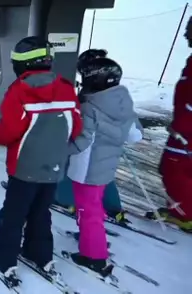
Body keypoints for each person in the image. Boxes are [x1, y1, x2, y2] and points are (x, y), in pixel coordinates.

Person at [0, 36, 82, 280]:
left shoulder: (19, 90)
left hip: (24, 166)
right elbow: (76, 126)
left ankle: (3, 258)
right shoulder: (66, 87)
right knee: (41, 211)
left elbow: (9, 130)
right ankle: (40, 253)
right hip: (54, 167)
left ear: (22, 64)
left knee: (14, 214)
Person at [66, 57, 143, 276]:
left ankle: (94, 257)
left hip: (87, 170)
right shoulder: (123, 101)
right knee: (93, 208)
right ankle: (91, 238)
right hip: (106, 168)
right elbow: (135, 135)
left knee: (87, 211)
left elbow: (81, 143)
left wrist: (60, 148)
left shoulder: (90, 107)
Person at [54, 48, 128, 223]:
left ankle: (67, 200)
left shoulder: (94, 89)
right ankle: (113, 207)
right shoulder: (111, 86)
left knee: (68, 164)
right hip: (105, 142)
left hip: (88, 140)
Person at [153, 16, 192, 231]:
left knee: (173, 168)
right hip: (186, 129)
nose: (186, 34)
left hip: (186, 132)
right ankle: (182, 208)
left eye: (190, 30)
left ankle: (185, 215)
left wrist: (182, 125)